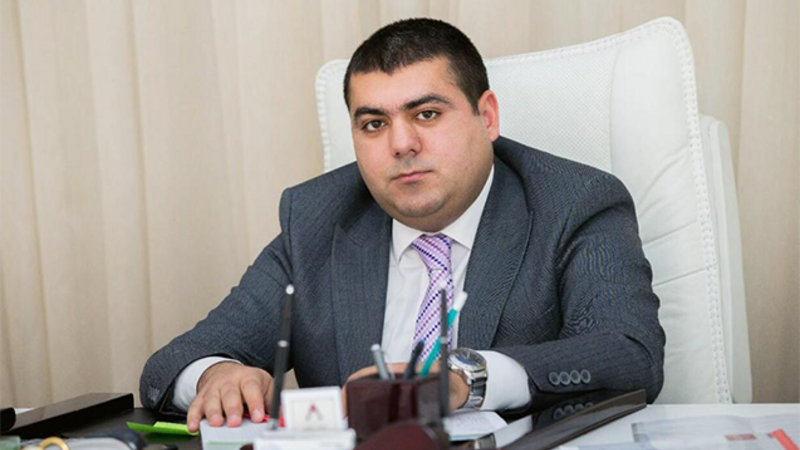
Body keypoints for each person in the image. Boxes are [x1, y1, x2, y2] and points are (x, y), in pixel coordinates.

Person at [139, 18, 665, 433]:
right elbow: (171, 365)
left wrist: (465, 378)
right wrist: (216, 376)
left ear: (487, 117)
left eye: (427, 114)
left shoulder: (574, 203)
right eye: (374, 123)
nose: (401, 144)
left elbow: (629, 353)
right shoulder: (318, 218)